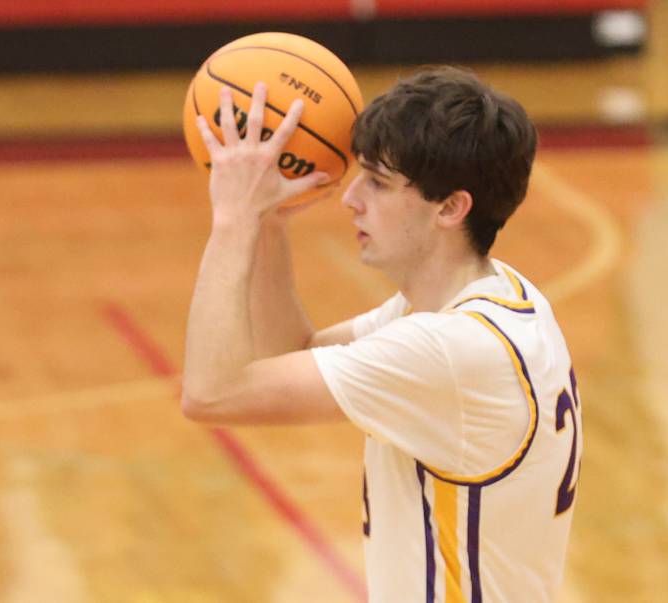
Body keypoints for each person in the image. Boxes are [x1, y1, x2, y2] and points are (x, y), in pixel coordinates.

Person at [182, 66, 583, 603]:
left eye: (377, 181)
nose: (350, 198)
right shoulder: (492, 298)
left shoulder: (450, 352)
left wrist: (233, 219)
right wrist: (270, 222)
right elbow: (294, 353)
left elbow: (213, 393)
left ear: (450, 207)